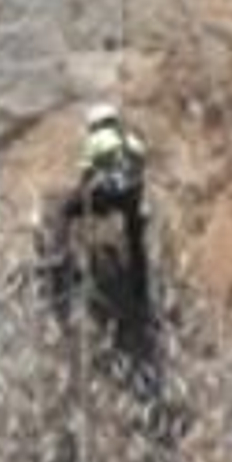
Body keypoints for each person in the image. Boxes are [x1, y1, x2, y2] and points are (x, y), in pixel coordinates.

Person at [48, 103, 151, 322]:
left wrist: (81, 195)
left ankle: (59, 254)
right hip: (129, 198)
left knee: (63, 210)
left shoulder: (96, 140)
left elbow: (86, 173)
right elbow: (141, 175)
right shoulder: (132, 142)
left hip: (104, 193)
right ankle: (141, 289)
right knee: (136, 243)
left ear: (95, 124)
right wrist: (136, 207)